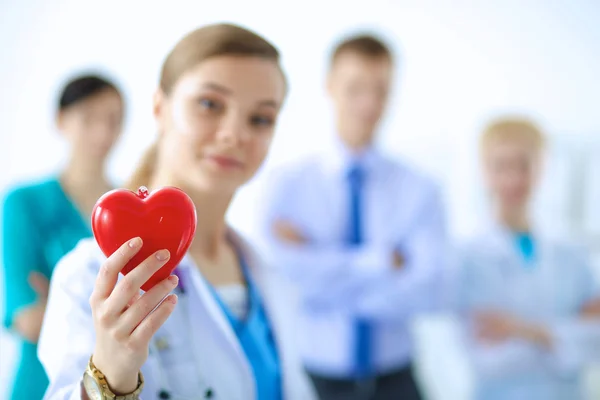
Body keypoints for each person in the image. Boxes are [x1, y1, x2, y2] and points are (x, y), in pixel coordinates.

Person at [37, 23, 315, 400]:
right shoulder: (88, 275)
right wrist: (109, 377)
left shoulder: (270, 275)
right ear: (159, 108)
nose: (235, 133)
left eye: (260, 118)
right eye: (209, 105)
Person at [256, 33, 446, 400]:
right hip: (315, 381)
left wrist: (320, 265)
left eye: (381, 89)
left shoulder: (421, 189)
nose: (369, 103)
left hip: (398, 380)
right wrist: (380, 262)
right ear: (329, 86)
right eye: (356, 87)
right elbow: (285, 282)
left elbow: (429, 290)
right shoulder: (286, 185)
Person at [454, 117, 600, 400]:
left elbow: (597, 342)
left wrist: (519, 329)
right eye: (501, 166)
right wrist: (566, 336)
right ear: (484, 171)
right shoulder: (468, 257)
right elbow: (487, 360)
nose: (513, 179)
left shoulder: (571, 252)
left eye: (524, 164)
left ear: (542, 167)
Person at [2, 74, 124, 400]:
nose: (103, 132)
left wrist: (61, 301)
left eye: (113, 119)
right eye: (89, 118)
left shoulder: (131, 209)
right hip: (38, 385)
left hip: (119, 387)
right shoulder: (24, 204)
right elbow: (27, 318)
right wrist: (117, 320)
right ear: (61, 120)